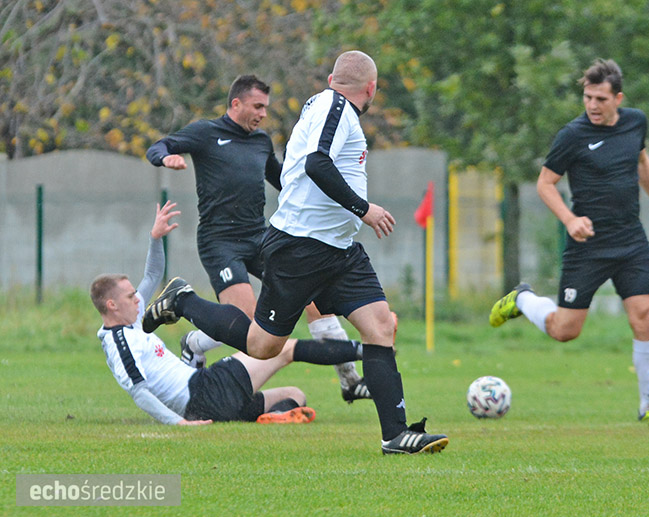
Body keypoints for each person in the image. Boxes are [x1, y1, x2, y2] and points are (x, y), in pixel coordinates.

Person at [141, 51, 448, 454]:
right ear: (371, 88)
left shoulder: (323, 107)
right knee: (262, 345)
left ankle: (395, 434)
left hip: (338, 249)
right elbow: (317, 164)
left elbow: (289, 171)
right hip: (301, 248)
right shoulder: (336, 108)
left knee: (380, 327)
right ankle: (182, 300)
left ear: (332, 77)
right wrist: (364, 208)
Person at [145, 74, 368, 402]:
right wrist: (165, 157)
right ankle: (194, 343)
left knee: (315, 298)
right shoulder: (207, 133)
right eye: (257, 106)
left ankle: (349, 380)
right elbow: (159, 146)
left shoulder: (261, 141)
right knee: (249, 324)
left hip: (259, 238)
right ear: (236, 104)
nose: (263, 113)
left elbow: (281, 180)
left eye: (266, 107)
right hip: (219, 243)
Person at [489, 58, 649, 425]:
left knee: (645, 318)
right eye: (587, 97)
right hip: (588, 245)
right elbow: (545, 184)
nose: (592, 105)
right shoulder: (572, 136)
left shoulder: (636, 122)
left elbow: (642, 162)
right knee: (565, 331)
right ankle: (523, 299)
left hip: (630, 241)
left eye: (601, 99)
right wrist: (570, 219)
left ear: (618, 99)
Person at [91, 202, 365, 425]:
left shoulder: (132, 324)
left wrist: (155, 238)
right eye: (130, 296)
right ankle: (365, 350)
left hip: (210, 404)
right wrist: (178, 423)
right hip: (203, 392)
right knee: (283, 348)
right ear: (112, 306)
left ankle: (275, 417)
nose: (138, 300)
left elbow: (152, 275)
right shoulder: (119, 343)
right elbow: (138, 391)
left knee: (296, 394)